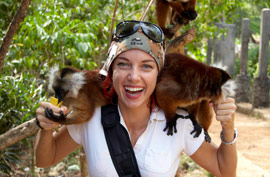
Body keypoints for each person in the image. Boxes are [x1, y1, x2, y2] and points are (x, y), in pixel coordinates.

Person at [35, 20, 237, 177]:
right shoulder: (91, 116)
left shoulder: (179, 122)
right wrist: (45, 128)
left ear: (158, 74)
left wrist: (228, 128)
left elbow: (225, 171)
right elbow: (45, 159)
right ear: (111, 71)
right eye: (123, 64)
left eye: (146, 66)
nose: (134, 76)